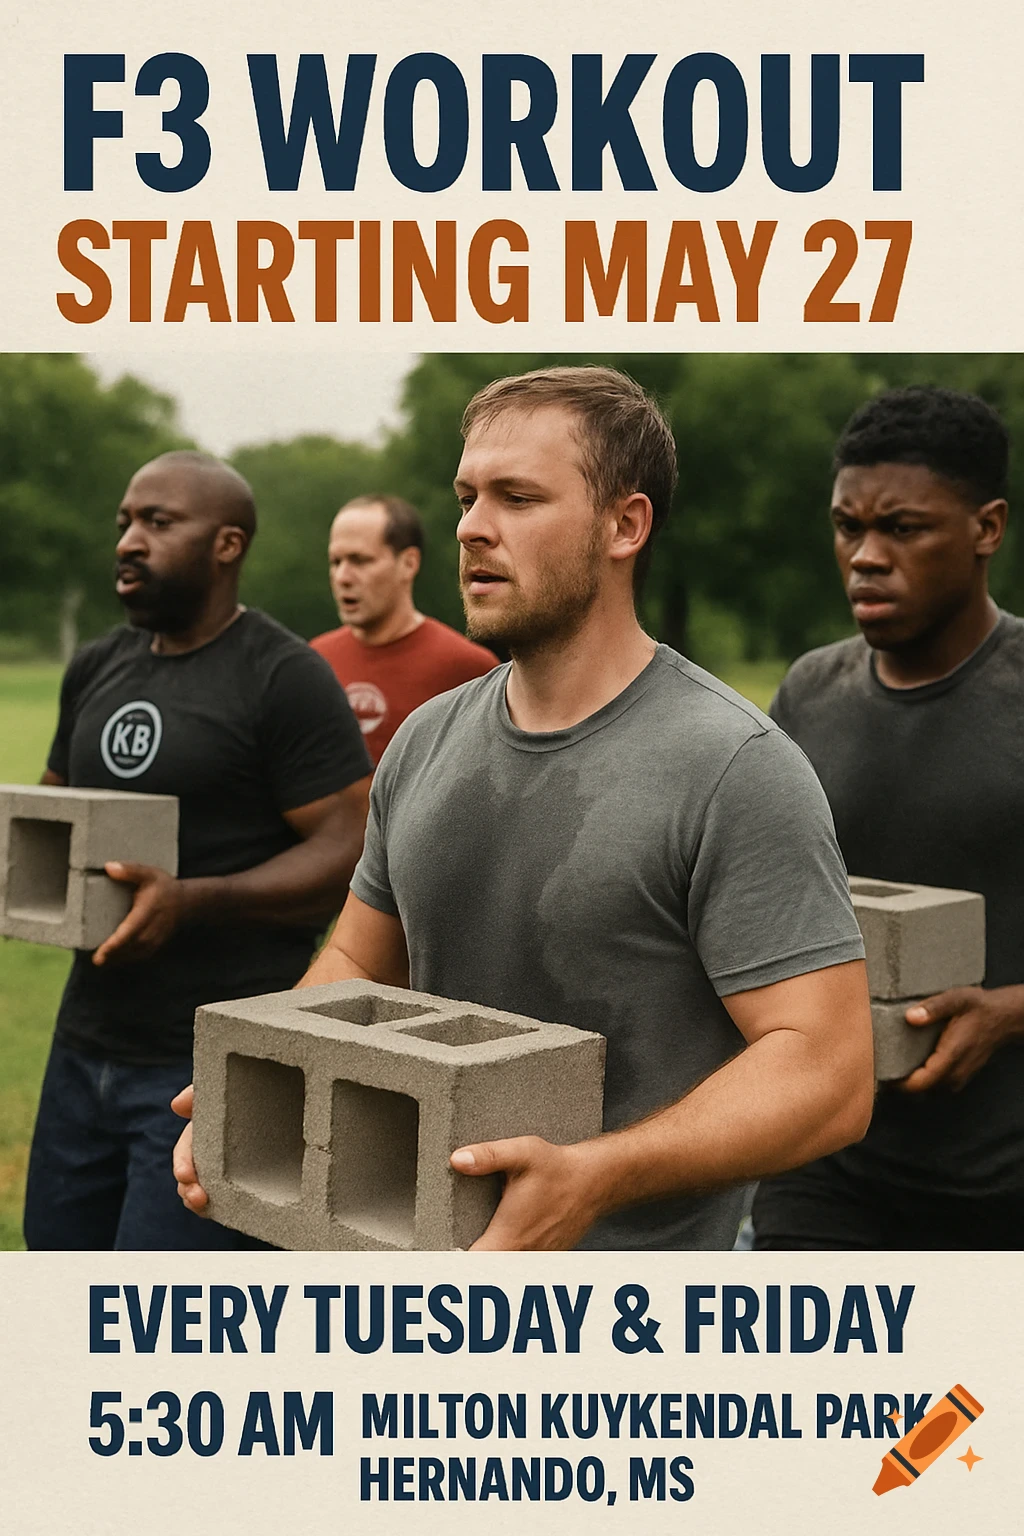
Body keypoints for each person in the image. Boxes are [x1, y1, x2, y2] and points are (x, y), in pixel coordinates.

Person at [174, 368, 873, 1252]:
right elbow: (360, 955)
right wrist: (265, 1070)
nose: (471, 527)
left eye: (517, 496)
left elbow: (828, 1074)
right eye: (467, 497)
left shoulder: (735, 767)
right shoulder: (426, 739)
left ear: (625, 525)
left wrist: (595, 1176)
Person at [24, 449, 373, 1251]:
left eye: (157, 522)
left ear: (227, 544)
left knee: (163, 1321)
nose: (128, 541)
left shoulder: (283, 676)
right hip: (83, 1049)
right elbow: (50, 814)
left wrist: (196, 899)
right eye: (123, 523)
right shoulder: (97, 666)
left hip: (207, 1064)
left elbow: (349, 844)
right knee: (54, 1287)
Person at [752, 385, 1024, 1250]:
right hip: (828, 1168)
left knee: (961, 1394)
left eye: (902, 529)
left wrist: (1008, 1012)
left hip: (1001, 1178)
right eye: (847, 528)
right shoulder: (809, 692)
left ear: (987, 528)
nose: (866, 556)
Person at [310, 494, 498, 763]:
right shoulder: (315, 660)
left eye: (360, 561)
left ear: (409, 563)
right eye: (335, 562)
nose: (342, 577)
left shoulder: (467, 666)